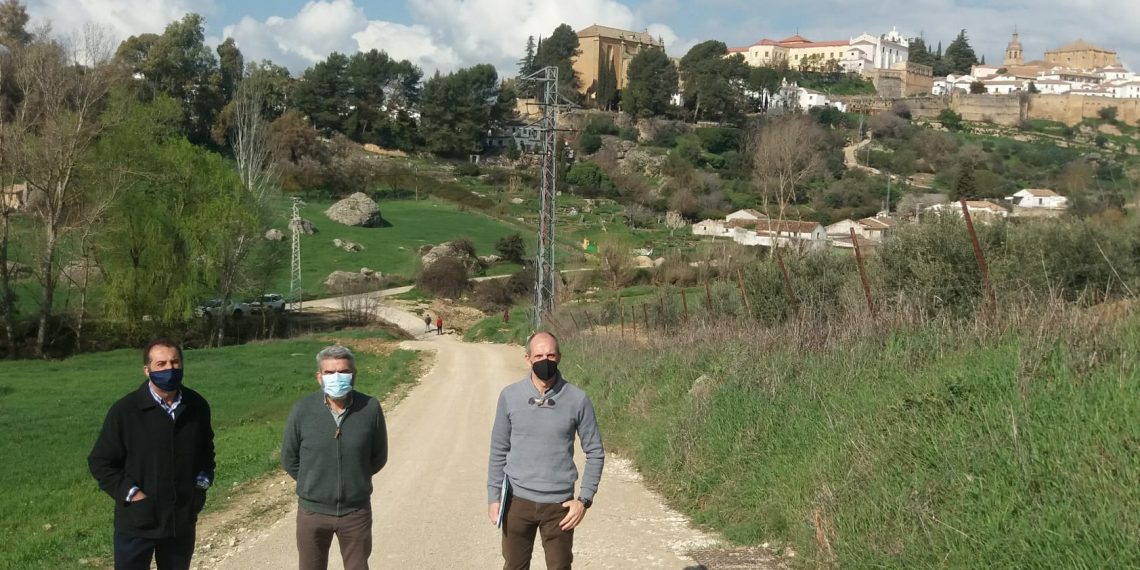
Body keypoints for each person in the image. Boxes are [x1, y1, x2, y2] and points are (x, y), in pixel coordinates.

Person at [88, 339, 215, 570]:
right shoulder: (125, 411)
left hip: (180, 522)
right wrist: (133, 495)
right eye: (161, 364)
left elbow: (206, 453)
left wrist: (200, 487)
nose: (170, 369)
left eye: (175, 362)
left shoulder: (197, 406)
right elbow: (101, 462)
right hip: (137, 523)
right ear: (147, 370)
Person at [487, 332, 605, 570]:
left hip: (559, 506)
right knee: (514, 566)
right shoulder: (510, 397)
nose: (545, 360)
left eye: (550, 354)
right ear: (527, 359)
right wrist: (494, 497)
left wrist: (584, 500)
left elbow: (595, 452)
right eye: (539, 355)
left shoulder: (577, 399)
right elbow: (499, 449)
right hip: (516, 503)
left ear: (559, 357)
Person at [281, 345, 388, 570]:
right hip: (312, 513)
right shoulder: (302, 410)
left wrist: (354, 480)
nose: (336, 377)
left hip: (355, 512)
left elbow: (378, 456)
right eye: (329, 373)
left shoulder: (370, 408)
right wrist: (314, 484)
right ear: (319, 378)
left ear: (354, 375)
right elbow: (290, 458)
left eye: (343, 372)